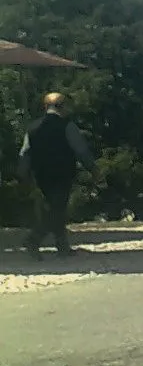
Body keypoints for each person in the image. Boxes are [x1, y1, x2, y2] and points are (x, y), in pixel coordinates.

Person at [17, 92, 96, 259]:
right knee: (57, 209)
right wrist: (93, 169)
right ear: (62, 106)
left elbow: (25, 153)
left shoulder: (33, 127)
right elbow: (80, 150)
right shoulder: (67, 126)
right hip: (62, 172)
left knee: (53, 206)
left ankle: (62, 246)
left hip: (41, 174)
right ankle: (34, 239)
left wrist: (22, 174)